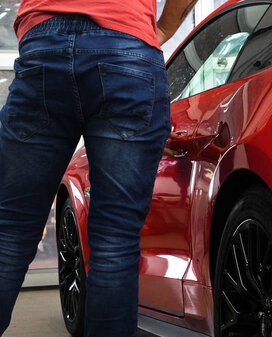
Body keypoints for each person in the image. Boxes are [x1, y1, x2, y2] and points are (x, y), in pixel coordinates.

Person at [0, 0, 197, 336]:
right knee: (115, 240)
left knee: (9, 231)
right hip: (125, 46)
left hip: (44, 44)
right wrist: (164, 26)